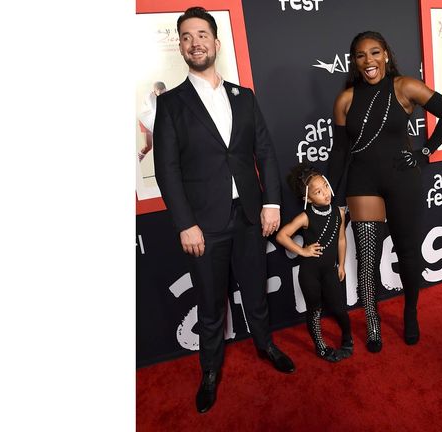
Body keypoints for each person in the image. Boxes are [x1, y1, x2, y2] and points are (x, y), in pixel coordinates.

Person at [152, 6, 295, 414]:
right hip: (204, 225)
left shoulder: (243, 97)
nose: (195, 42)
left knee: (256, 292)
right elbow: (167, 169)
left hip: (250, 215)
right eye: (186, 36)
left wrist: (271, 202)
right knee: (211, 304)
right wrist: (185, 224)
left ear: (216, 42)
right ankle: (210, 370)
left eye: (202, 34)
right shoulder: (172, 105)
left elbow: (264, 152)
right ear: (181, 47)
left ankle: (266, 345)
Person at [326, 31, 442, 353]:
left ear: (385, 54)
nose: (368, 60)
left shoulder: (405, 86)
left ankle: (410, 313)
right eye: (360, 55)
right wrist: (331, 198)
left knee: (408, 252)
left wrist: (425, 153)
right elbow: (340, 153)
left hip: (403, 180)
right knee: (367, 258)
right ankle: (373, 322)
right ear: (354, 61)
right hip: (362, 183)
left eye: (374, 53)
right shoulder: (345, 100)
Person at [276, 164, 352, 362]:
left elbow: (342, 239)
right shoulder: (305, 217)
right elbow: (282, 236)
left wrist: (341, 264)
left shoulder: (339, 212)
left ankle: (347, 340)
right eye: (318, 192)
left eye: (325, 186)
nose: (325, 193)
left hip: (330, 270)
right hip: (309, 273)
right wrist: (303, 250)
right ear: (308, 199)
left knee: (339, 307)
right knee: (315, 310)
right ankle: (320, 347)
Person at [138, 81, 167, 161]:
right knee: (148, 146)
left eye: (164, 93)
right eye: (159, 94)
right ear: (155, 92)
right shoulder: (150, 97)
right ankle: (136, 161)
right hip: (145, 121)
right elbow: (156, 112)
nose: (162, 96)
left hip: (154, 120)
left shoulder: (167, 93)